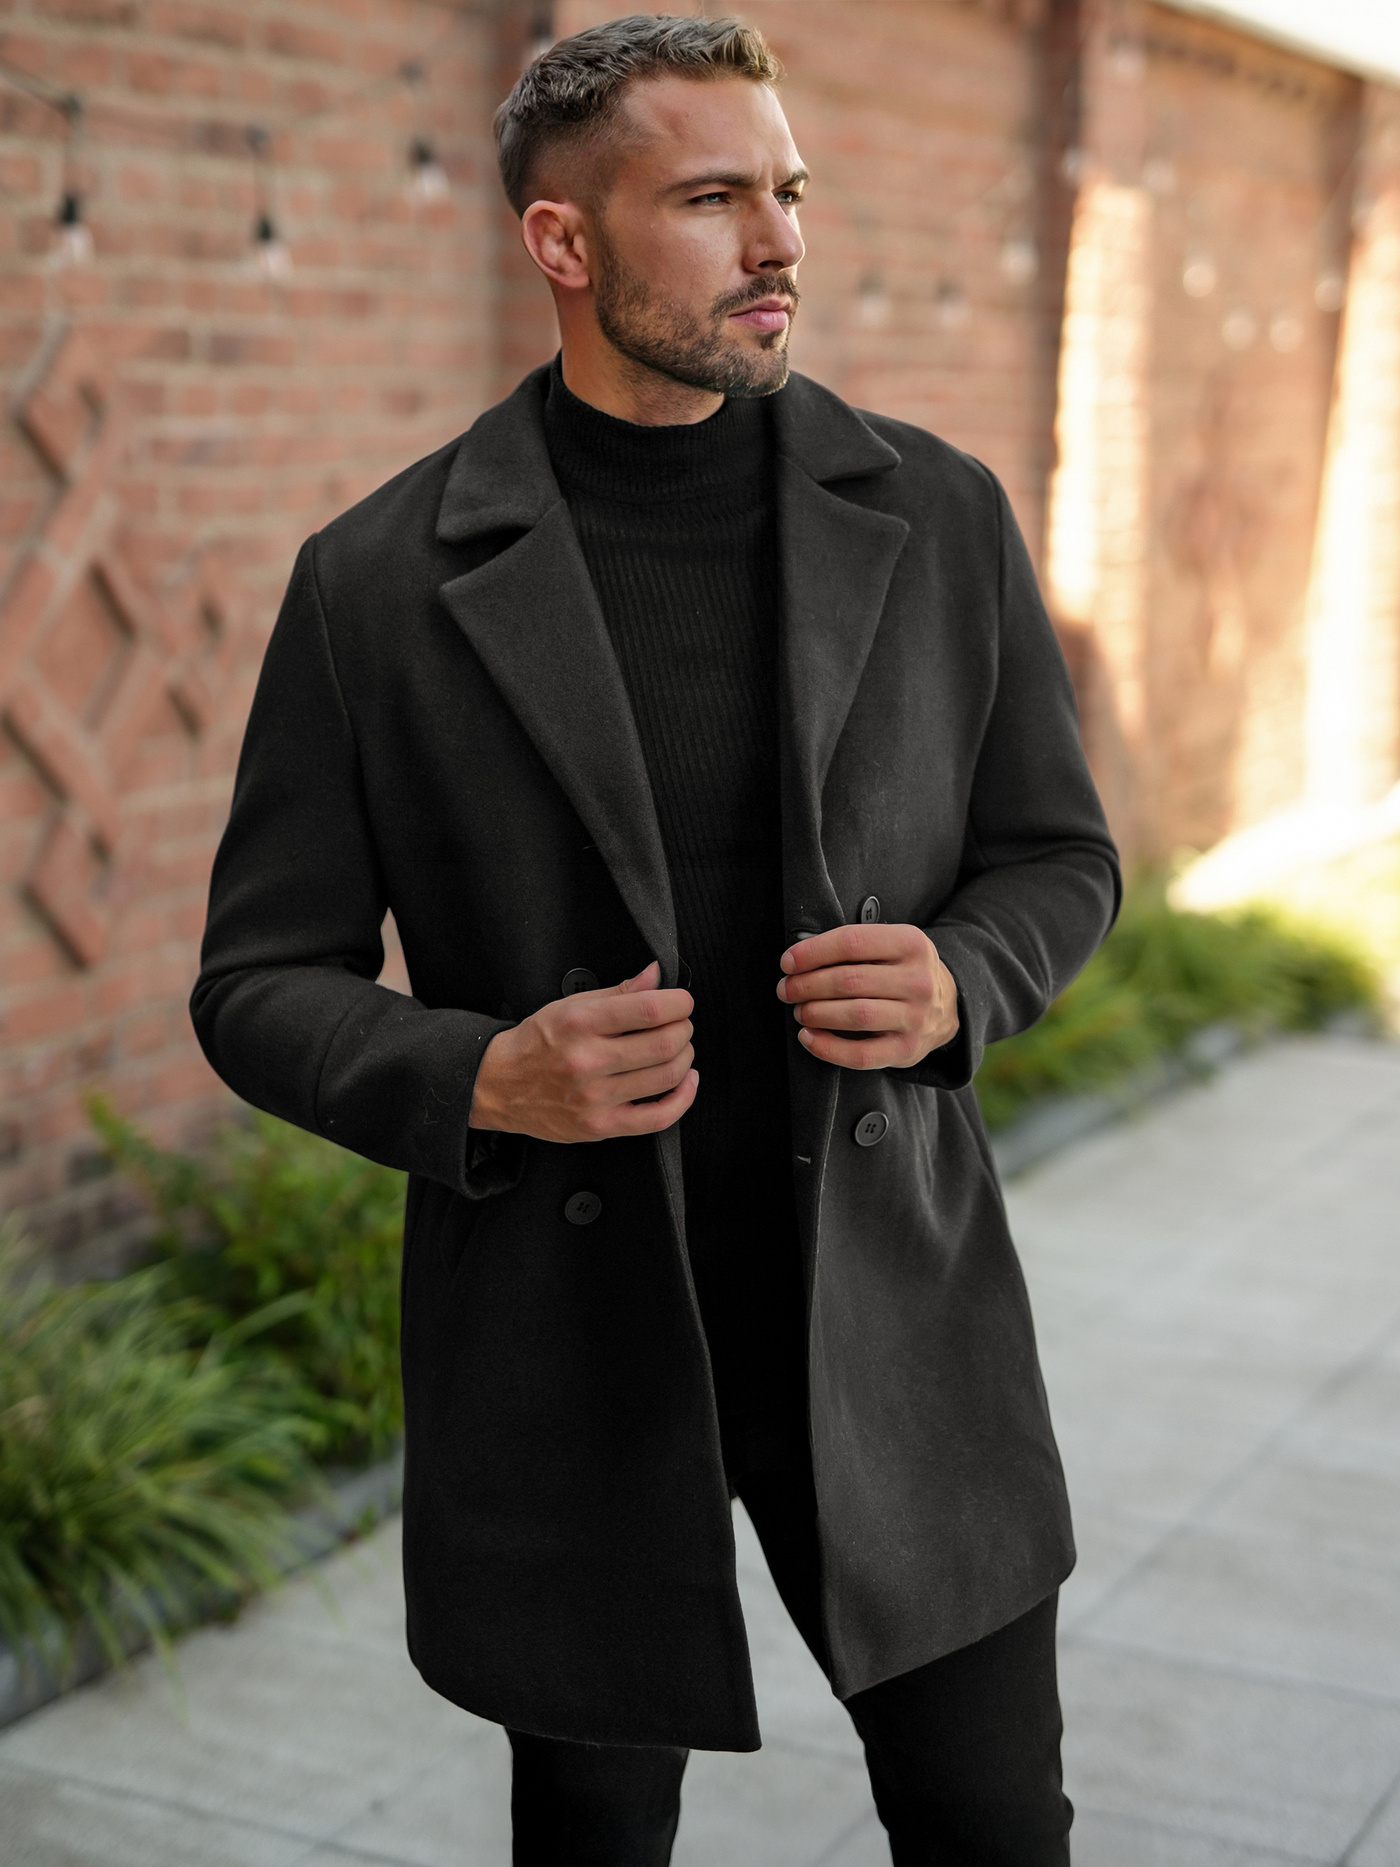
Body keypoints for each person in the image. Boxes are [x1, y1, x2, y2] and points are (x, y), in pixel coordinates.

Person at [192, 15, 1120, 1864]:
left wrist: (964, 976)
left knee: (995, 1824)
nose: (780, 242)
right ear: (563, 240)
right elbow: (256, 983)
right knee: (594, 1840)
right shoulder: (377, 581)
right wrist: (484, 1076)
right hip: (572, 1345)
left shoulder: (936, 513)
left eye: (788, 189)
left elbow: (1059, 857)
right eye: (711, 200)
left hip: (894, 1317)